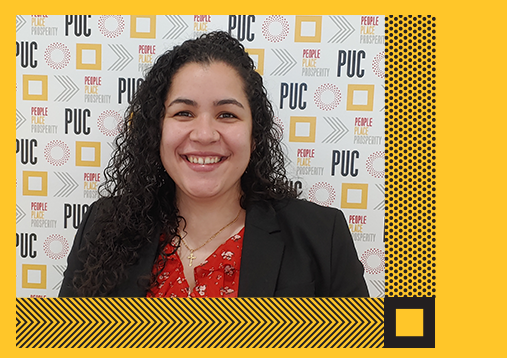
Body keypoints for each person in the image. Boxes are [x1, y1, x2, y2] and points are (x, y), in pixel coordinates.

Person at [59, 31, 368, 297]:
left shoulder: (321, 235)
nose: (205, 134)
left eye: (227, 115)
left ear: (254, 135)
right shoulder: (103, 227)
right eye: (183, 113)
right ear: (156, 130)